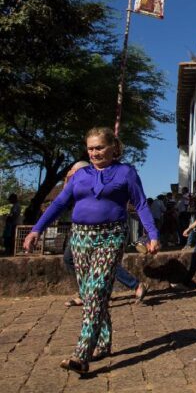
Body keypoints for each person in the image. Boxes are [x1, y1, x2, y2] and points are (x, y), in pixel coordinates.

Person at [24, 127, 159, 375]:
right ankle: (104, 341)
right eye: (90, 148)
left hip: (111, 236)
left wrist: (153, 234)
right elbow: (60, 202)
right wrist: (37, 229)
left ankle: (81, 353)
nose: (94, 153)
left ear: (113, 148)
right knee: (90, 293)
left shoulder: (126, 172)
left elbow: (140, 203)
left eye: (100, 147)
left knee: (96, 291)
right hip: (80, 237)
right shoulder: (80, 175)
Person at [59, 161, 148, 308]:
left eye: (73, 170)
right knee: (75, 259)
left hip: (100, 230)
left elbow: (140, 203)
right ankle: (89, 292)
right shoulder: (78, 181)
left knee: (104, 262)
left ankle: (96, 292)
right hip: (79, 230)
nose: (70, 172)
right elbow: (64, 199)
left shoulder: (95, 181)